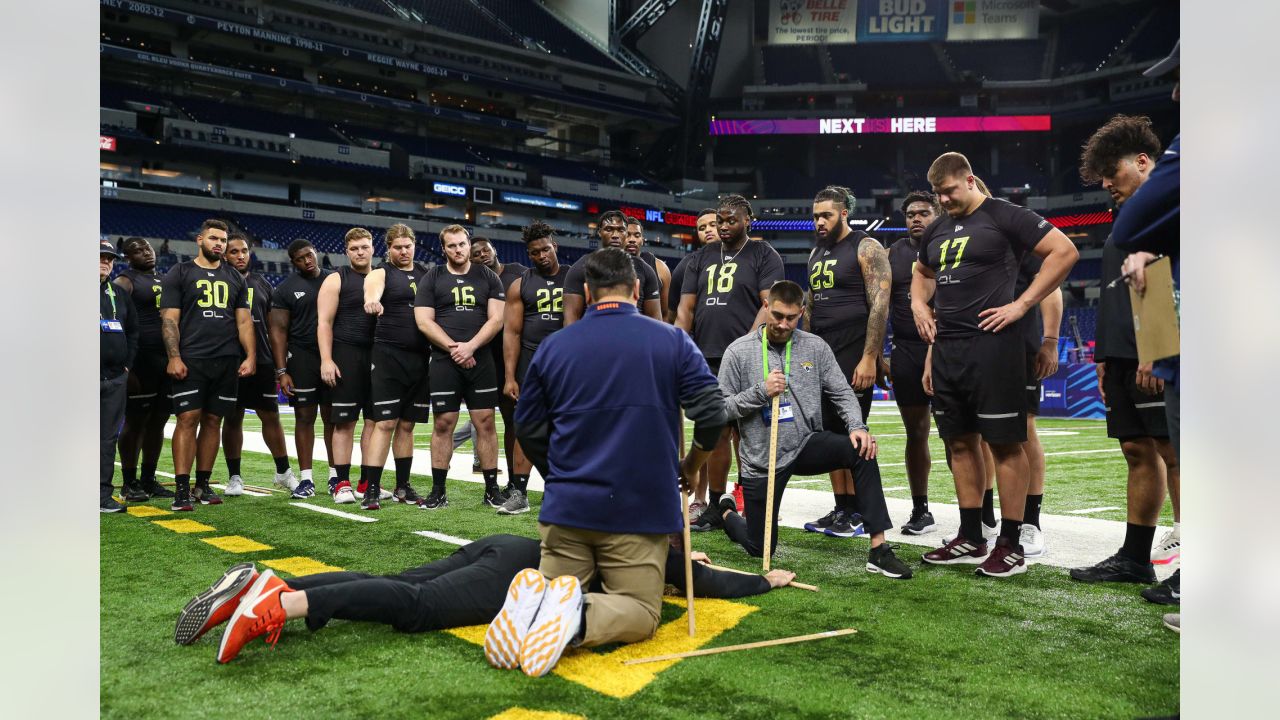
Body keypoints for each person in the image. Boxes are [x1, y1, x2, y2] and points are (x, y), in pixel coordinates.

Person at [499, 247, 728, 677]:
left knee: (558, 587)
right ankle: (575, 618)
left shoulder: (553, 346)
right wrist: (693, 464)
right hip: (637, 512)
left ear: (586, 292)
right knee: (642, 611)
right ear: (638, 289)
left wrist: (560, 475)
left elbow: (527, 429)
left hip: (567, 512)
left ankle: (539, 607)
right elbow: (712, 413)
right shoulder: (672, 340)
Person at [177, 535, 792, 664]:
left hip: (506, 544)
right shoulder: (656, 549)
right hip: (519, 572)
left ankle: (268, 586)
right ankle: (279, 608)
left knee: (406, 583)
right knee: (417, 606)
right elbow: (710, 582)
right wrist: (766, 581)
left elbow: (701, 570)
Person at [912, 153, 1078, 577]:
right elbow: (921, 270)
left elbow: (1064, 251)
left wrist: (1022, 305)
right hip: (949, 349)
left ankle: (1011, 542)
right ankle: (970, 535)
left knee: (1006, 443)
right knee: (960, 443)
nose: (944, 199)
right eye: (938, 193)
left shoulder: (1004, 215)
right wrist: (918, 304)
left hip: (995, 348)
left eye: (949, 191)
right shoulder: (936, 229)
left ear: (969, 180)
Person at [715, 280, 911, 577]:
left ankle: (879, 550)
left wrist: (857, 426)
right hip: (762, 459)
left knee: (862, 450)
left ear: (802, 312)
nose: (783, 324)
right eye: (777, 315)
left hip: (805, 443)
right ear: (766, 306)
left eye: (791, 318)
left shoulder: (814, 346)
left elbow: (842, 392)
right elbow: (720, 409)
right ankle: (727, 511)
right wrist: (760, 392)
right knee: (760, 547)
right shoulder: (738, 352)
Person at [1070, 116, 1182, 597]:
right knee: (1137, 450)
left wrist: (1155, 351)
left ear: (1143, 162)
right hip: (1120, 351)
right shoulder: (1128, 214)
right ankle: (1137, 558)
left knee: (1176, 456)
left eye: (1112, 173)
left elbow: (1168, 283)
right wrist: (1104, 353)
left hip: (1157, 348)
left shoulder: (1172, 206)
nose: (1106, 184)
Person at [676, 196, 785, 533]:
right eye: (720, 220)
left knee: (749, 432)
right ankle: (716, 504)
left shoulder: (764, 254)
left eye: (731, 220)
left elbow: (769, 304)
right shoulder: (701, 256)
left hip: (747, 354)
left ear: (748, 220)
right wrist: (678, 346)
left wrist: (744, 346)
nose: (723, 226)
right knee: (716, 430)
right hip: (705, 355)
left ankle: (750, 500)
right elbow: (686, 308)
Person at [802, 186, 891, 538]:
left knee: (852, 432)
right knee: (827, 434)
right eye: (815, 216)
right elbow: (810, 306)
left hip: (854, 353)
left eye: (826, 215)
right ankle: (843, 507)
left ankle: (857, 512)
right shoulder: (815, 252)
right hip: (821, 355)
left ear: (843, 213)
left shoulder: (866, 246)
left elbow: (880, 302)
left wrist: (870, 356)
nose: (820, 221)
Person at [159, 219, 255, 511]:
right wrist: (174, 356)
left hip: (226, 360)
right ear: (200, 239)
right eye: (214, 238)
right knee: (188, 419)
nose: (219, 244)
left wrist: (250, 356)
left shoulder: (235, 277)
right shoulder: (180, 271)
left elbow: (243, 321)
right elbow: (169, 318)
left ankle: (202, 484)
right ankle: (181, 488)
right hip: (192, 359)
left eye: (223, 240)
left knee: (214, 421)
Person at [414, 225, 506, 509]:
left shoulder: (488, 276)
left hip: (481, 360)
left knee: (486, 422)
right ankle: (438, 490)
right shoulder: (433, 277)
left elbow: (496, 319)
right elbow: (423, 321)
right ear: (444, 249)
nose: (458, 250)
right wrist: (456, 348)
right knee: (443, 423)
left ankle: (492, 489)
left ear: (469, 244)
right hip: (445, 360)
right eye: (451, 246)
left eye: (462, 244)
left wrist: (471, 347)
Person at [498, 221, 569, 515]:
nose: (541, 256)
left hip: (567, 363)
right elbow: (512, 333)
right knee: (525, 427)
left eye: (546, 249)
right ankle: (520, 493)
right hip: (532, 362)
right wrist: (510, 376)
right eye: (535, 252)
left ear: (556, 246)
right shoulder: (520, 284)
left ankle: (564, 491)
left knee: (569, 429)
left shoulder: (575, 277)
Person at [360, 224, 430, 507]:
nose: (403, 251)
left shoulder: (427, 275)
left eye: (407, 246)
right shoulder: (381, 272)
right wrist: (372, 302)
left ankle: (403, 486)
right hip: (388, 354)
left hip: (420, 357)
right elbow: (372, 290)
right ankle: (373, 489)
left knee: (407, 425)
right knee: (385, 422)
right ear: (388, 249)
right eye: (397, 247)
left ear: (414, 246)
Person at [220, 234, 292, 497]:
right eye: (234, 252)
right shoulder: (220, 281)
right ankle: (234, 477)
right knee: (233, 417)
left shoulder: (262, 282)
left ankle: (283, 472)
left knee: (270, 415)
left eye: (244, 251)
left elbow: (274, 326)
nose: (240, 256)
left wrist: (280, 364)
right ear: (224, 255)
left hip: (262, 359)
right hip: (230, 360)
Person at [887, 192, 940, 535]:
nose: (916, 219)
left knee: (962, 434)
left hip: (949, 346)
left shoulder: (952, 244)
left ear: (937, 213)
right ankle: (921, 509)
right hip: (906, 349)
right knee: (915, 432)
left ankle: (981, 508)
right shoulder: (893, 253)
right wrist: (877, 353)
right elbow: (878, 302)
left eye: (923, 212)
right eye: (910, 214)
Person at [455, 237, 527, 481]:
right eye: (476, 253)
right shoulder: (473, 282)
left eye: (486, 249)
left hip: (521, 354)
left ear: (495, 250)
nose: (483, 254)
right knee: (505, 421)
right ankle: (513, 480)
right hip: (489, 358)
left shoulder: (519, 272)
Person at [317, 228, 378, 504]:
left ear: (373, 248)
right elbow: (324, 323)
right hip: (346, 354)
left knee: (374, 422)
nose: (360, 252)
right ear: (347, 251)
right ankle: (342, 482)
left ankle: (367, 484)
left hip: (378, 356)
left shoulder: (382, 277)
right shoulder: (336, 279)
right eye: (354, 249)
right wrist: (327, 359)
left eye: (364, 247)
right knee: (344, 423)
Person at [667, 208, 719, 520]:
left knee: (744, 431)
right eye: (702, 227)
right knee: (709, 427)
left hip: (737, 353)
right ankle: (700, 497)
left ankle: (739, 492)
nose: (709, 230)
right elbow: (676, 313)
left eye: (714, 224)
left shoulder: (745, 257)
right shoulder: (687, 266)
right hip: (700, 355)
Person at [114, 237, 174, 502]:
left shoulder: (164, 279)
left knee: (158, 421)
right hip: (140, 361)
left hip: (166, 359)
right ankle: (129, 482)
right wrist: (126, 365)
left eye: (147, 248)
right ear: (127, 257)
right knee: (135, 422)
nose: (145, 253)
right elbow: (115, 323)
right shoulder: (125, 281)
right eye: (137, 250)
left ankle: (149, 479)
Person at [269, 240, 331, 495]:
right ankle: (306, 479)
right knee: (304, 417)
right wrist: (282, 371)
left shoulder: (334, 280)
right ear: (293, 262)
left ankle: (337, 477)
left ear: (316, 252)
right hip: (302, 357)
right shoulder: (285, 289)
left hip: (331, 355)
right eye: (300, 258)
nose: (307, 260)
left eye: (310, 254)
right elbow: (278, 331)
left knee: (333, 418)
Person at [561, 211, 662, 325]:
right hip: (593, 338)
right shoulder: (581, 267)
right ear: (599, 232)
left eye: (621, 230)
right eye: (609, 229)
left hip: (634, 338)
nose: (615, 235)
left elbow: (655, 320)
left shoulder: (645, 269)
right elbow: (570, 320)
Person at [101, 240, 139, 513]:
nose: (105, 263)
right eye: (99, 258)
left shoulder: (118, 294)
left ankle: (101, 495)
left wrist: (126, 366)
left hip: (114, 379)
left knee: (106, 439)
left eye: (109, 259)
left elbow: (133, 332)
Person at [624, 217, 673, 320]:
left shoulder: (661, 268)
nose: (632, 240)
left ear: (642, 240)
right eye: (627, 235)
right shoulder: (609, 265)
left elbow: (665, 313)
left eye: (637, 236)